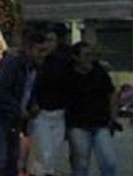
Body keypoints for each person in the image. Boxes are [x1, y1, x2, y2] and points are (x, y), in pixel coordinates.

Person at [0, 30, 50, 176]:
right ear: (29, 48)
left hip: (12, 117)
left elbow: (28, 90)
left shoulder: (35, 68)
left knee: (11, 160)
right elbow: (0, 91)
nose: (43, 55)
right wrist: (19, 109)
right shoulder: (13, 63)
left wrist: (31, 105)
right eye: (40, 50)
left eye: (45, 51)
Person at [64, 42, 117, 176]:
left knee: (109, 161)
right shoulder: (68, 75)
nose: (90, 59)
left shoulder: (99, 72)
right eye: (86, 55)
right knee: (80, 164)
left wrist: (113, 117)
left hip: (100, 123)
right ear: (76, 58)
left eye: (91, 55)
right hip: (77, 124)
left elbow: (111, 93)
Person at [28, 27, 69, 176]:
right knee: (45, 151)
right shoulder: (36, 62)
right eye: (46, 40)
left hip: (59, 113)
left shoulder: (63, 62)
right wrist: (32, 104)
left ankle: (46, 172)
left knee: (54, 150)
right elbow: (29, 86)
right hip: (41, 113)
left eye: (52, 41)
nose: (48, 45)